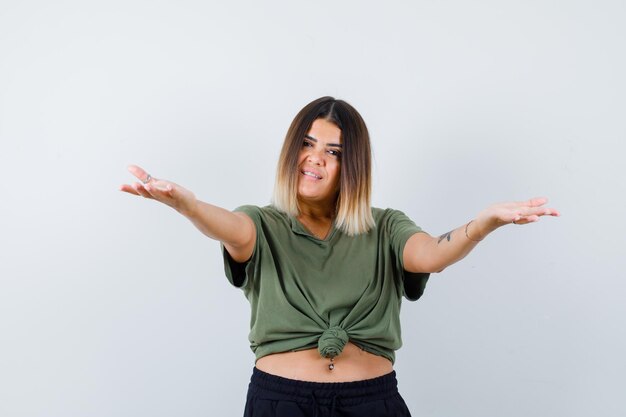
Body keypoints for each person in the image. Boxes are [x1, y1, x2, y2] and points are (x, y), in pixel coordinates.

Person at [120, 96, 559, 416]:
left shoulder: (384, 226)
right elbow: (229, 227)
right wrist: (188, 205)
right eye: (307, 145)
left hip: (372, 402)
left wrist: (483, 224)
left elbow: (430, 256)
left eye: (333, 152)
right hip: (282, 403)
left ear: (352, 167)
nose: (315, 160)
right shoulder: (262, 224)